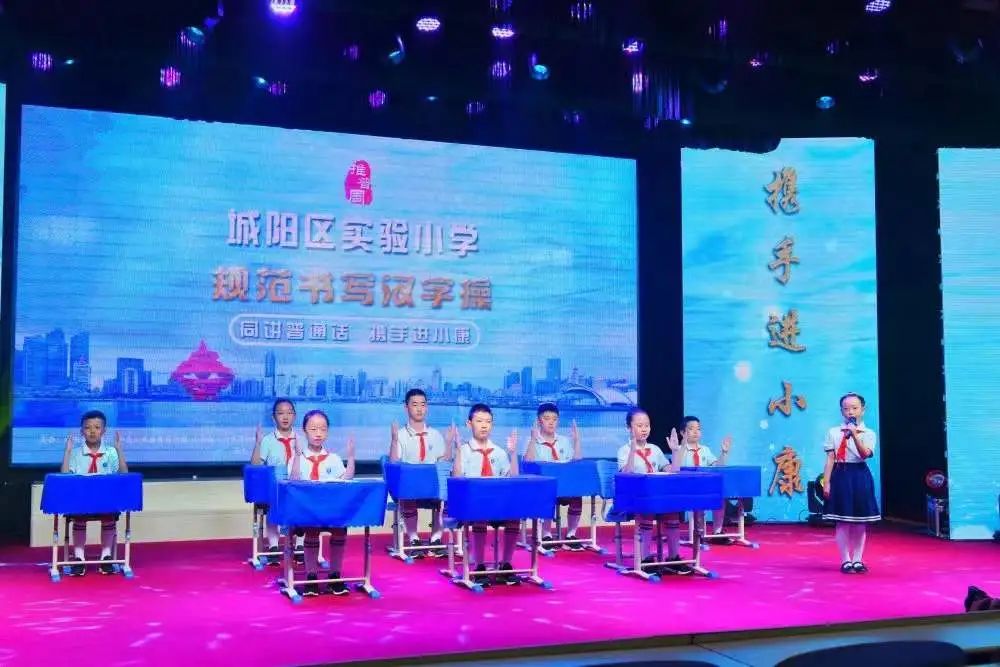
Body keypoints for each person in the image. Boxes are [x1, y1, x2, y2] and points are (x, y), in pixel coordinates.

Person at [287, 409, 355, 596]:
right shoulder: (297, 458)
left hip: (331, 511)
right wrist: (298, 455)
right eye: (313, 429)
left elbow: (346, 480)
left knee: (340, 528)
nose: (318, 433)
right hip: (307, 512)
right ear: (304, 431)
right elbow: (293, 482)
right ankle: (311, 578)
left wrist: (350, 457)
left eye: (323, 429)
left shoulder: (333, 458)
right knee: (311, 529)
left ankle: (335, 576)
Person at [452, 403, 520, 586]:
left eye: (488, 422)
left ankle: (505, 566)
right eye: (479, 421)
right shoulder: (463, 451)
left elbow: (513, 479)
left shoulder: (499, 452)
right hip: (472, 505)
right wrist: (457, 451)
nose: (484, 426)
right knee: (479, 515)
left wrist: (513, 453)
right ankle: (479, 567)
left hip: (496, 504)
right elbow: (457, 480)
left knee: (514, 516)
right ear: (469, 424)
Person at [616, 407, 690, 574]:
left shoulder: (655, 449)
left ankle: (673, 558)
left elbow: (672, 470)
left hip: (656, 495)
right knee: (646, 512)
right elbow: (626, 474)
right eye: (639, 425)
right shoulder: (623, 450)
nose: (644, 429)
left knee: (673, 512)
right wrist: (633, 451)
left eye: (647, 425)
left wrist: (675, 451)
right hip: (635, 498)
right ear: (629, 428)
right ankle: (644, 559)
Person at [388, 388, 457, 557]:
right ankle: (414, 540)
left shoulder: (435, 435)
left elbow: (444, 462)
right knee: (408, 489)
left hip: (433, 489)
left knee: (447, 494)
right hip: (410, 490)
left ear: (427, 407)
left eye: (423, 404)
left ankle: (436, 539)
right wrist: (394, 441)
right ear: (406, 407)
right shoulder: (401, 435)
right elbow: (394, 463)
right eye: (415, 404)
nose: (419, 409)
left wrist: (449, 443)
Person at [60, 410, 128, 576]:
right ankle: (79, 559)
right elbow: (64, 477)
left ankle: (106, 557)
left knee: (109, 515)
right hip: (81, 501)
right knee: (79, 517)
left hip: (105, 500)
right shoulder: (75, 453)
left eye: (97, 427)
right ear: (81, 431)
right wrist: (67, 452)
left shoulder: (111, 452)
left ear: (104, 431)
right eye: (87, 427)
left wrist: (119, 450)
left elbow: (124, 474)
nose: (92, 431)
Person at [822, 393, 880, 574]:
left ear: (863, 409)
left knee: (860, 522)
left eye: (854, 408)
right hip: (840, 474)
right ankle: (845, 560)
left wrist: (854, 435)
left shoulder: (869, 433)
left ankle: (858, 559)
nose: (850, 412)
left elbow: (865, 454)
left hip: (859, 475)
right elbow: (830, 459)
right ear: (841, 411)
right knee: (842, 521)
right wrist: (826, 482)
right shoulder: (833, 432)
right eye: (846, 409)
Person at [524, 402, 584, 548]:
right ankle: (546, 535)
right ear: (539, 421)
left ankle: (571, 535)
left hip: (564, 486)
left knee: (577, 494)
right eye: (547, 418)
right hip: (543, 488)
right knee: (547, 493)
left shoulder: (564, 441)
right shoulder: (532, 441)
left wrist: (577, 441)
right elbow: (527, 463)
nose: (551, 422)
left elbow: (576, 462)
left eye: (554, 419)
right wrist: (532, 440)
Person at [674, 416, 739, 542]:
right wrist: (681, 447)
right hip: (686, 488)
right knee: (699, 499)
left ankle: (717, 532)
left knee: (720, 495)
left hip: (704, 486)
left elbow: (717, 467)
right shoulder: (679, 450)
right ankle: (698, 533)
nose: (696, 432)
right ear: (682, 432)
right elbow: (675, 468)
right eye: (691, 429)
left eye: (698, 429)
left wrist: (724, 453)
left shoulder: (705, 450)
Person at [250, 398, 298, 561]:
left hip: (297, 488)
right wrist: (258, 443)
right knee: (272, 501)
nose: (285, 417)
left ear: (294, 416)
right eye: (280, 413)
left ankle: (300, 546)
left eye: (289, 413)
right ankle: (274, 546)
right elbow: (255, 466)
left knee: (305, 500)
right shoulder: (268, 441)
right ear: (273, 417)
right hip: (275, 489)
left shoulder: (303, 439)